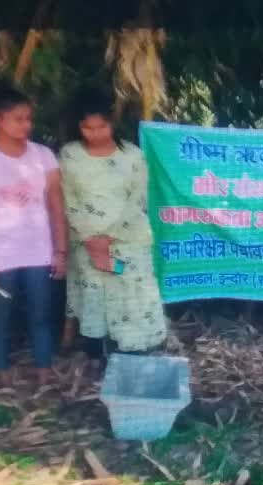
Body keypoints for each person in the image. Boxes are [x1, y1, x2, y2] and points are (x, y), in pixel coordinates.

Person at [0, 82, 69, 386]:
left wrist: (60, 251)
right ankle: (0, 368)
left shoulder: (43, 156)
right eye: (18, 119)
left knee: (41, 312)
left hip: (38, 249)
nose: (26, 125)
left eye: (28, 119)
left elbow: (56, 206)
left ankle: (44, 367)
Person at [60, 89, 167, 371]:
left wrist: (108, 237)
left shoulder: (132, 156)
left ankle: (130, 354)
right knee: (94, 293)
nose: (95, 133)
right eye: (88, 127)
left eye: (102, 126)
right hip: (87, 244)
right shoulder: (70, 156)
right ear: (78, 126)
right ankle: (95, 355)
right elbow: (67, 200)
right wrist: (91, 240)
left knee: (130, 292)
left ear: (112, 123)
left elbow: (137, 200)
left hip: (127, 242)